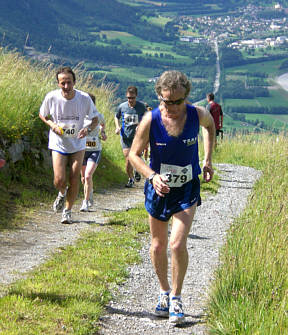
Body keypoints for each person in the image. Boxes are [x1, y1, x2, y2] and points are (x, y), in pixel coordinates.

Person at [129, 70, 215, 325]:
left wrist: (208, 159)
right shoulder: (150, 119)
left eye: (178, 101)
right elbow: (133, 155)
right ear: (160, 97)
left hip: (186, 187)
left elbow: (210, 127)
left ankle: (177, 297)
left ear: (186, 98)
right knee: (158, 246)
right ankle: (164, 292)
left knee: (177, 244)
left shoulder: (197, 114)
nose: (173, 107)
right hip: (158, 189)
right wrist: (152, 176)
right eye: (167, 101)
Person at [39, 66, 99, 224]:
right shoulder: (52, 97)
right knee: (59, 179)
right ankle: (62, 192)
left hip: (78, 144)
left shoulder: (84, 98)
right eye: (63, 83)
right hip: (59, 143)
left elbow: (95, 119)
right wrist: (52, 124)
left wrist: (87, 129)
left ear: (74, 82)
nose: (66, 86)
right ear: (58, 83)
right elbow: (42, 114)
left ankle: (67, 211)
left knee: (74, 178)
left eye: (69, 82)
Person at [114, 86, 146, 188]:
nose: (130, 100)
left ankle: (137, 170)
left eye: (132, 98)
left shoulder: (141, 107)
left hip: (137, 138)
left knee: (135, 157)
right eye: (128, 98)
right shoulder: (122, 107)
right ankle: (131, 178)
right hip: (125, 137)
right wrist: (117, 127)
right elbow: (116, 116)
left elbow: (146, 118)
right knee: (128, 158)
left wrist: (140, 126)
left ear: (136, 96)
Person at [80, 93, 107, 212]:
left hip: (95, 150)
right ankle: (90, 191)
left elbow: (102, 124)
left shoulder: (98, 116)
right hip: (81, 151)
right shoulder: (79, 117)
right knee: (83, 178)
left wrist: (102, 132)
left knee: (88, 175)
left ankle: (85, 202)